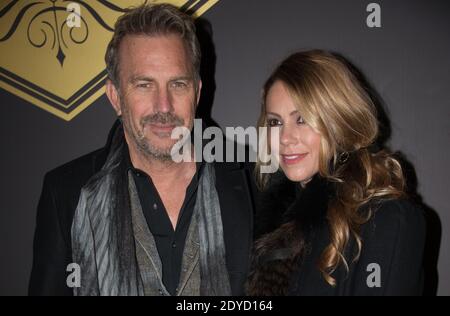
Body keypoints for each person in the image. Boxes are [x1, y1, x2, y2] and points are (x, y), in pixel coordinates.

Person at [29, 3, 253, 296]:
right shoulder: (66, 193)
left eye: (177, 84)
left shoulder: (253, 180)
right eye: (144, 85)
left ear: (197, 92)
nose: (163, 106)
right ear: (115, 96)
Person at [247, 50, 426, 296]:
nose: (285, 138)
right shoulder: (273, 224)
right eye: (275, 122)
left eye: (302, 119)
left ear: (338, 119)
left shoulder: (386, 220)